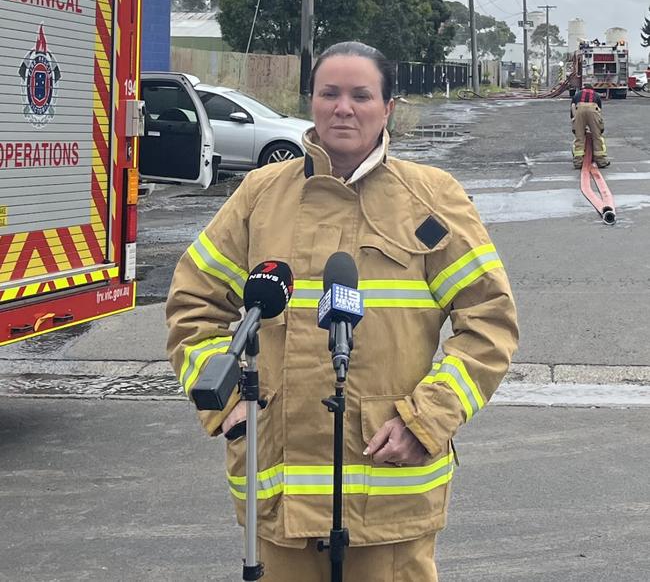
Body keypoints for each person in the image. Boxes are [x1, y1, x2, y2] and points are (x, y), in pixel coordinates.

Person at [166, 41, 519, 581]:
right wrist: (228, 403)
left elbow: (488, 322)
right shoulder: (260, 195)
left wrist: (427, 419)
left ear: (388, 108)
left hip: (390, 498)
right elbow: (194, 303)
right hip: (276, 496)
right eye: (329, 93)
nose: (343, 107)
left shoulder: (431, 198)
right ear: (312, 101)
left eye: (361, 95)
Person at [570, 85, 609, 169]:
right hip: (593, 111)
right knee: (597, 137)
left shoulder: (577, 95)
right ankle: (600, 161)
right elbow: (599, 111)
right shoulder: (596, 95)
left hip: (579, 111)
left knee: (579, 137)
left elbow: (572, 107)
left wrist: (575, 124)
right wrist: (600, 128)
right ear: (592, 89)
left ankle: (578, 162)